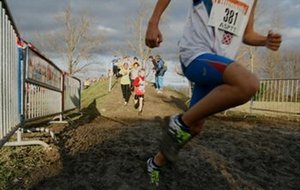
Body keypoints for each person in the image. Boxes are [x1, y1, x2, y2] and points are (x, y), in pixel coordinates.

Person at [145, 0, 282, 186]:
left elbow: (247, 34)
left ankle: (155, 163)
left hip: (218, 65)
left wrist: (264, 41)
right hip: (195, 55)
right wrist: (153, 22)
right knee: (248, 83)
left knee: (194, 126)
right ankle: (178, 122)